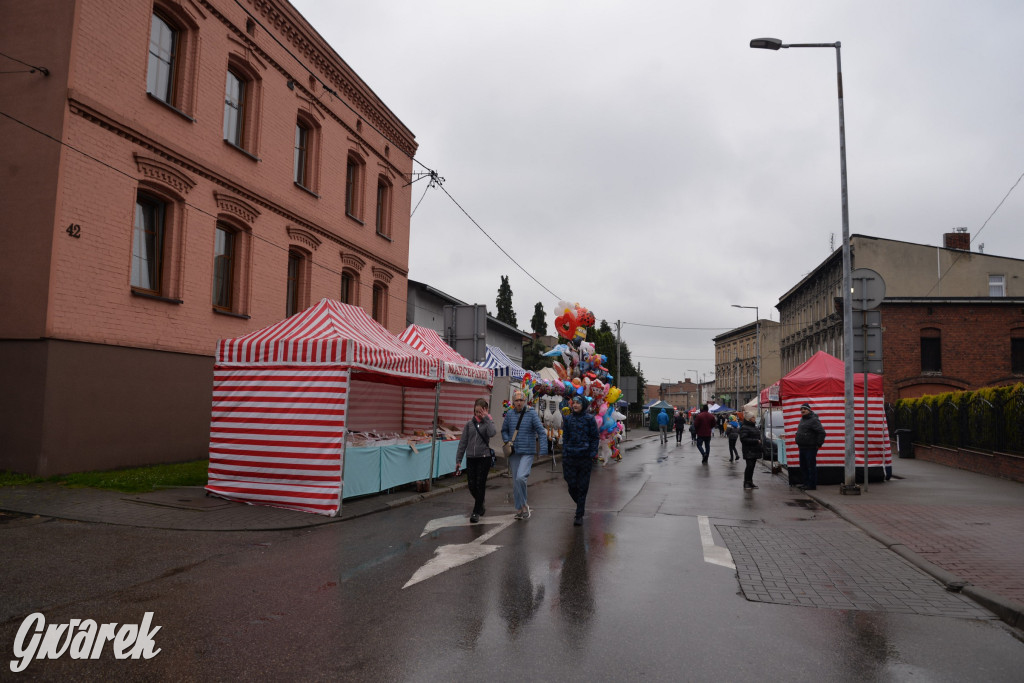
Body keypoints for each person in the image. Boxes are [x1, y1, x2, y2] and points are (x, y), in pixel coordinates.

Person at [501, 390, 545, 520]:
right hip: (514, 452)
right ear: (513, 402)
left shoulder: (531, 414)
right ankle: (519, 509)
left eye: (521, 400)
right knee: (516, 482)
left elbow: (541, 431)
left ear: (525, 401)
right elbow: (504, 430)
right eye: (516, 400)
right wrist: (507, 440)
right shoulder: (509, 414)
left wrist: (542, 449)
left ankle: (525, 505)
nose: (519, 403)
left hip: (527, 451)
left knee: (521, 478)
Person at [454, 398, 496, 523]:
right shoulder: (469, 424)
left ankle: (476, 511)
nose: (478, 414)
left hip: (484, 457)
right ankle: (480, 502)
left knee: (480, 483)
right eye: (476, 411)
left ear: (486, 410)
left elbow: (492, 433)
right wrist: (458, 459)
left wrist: (487, 418)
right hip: (471, 458)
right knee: (471, 485)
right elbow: (463, 442)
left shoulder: (488, 422)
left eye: (480, 412)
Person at [561, 395, 599, 526]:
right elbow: (565, 437)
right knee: (571, 484)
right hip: (570, 456)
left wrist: (592, 453)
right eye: (574, 403)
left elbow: (595, 437)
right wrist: (564, 452)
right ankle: (581, 504)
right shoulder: (568, 419)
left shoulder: (589, 419)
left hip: (584, 456)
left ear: (583, 405)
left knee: (582, 486)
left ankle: (579, 514)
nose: (575, 405)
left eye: (578, 403)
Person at [795, 402, 827, 491]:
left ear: (809, 410)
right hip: (802, 447)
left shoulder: (813, 420)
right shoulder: (802, 419)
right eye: (801, 409)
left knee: (810, 466)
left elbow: (822, 432)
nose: (802, 411)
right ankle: (805, 483)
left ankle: (811, 485)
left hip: (810, 448)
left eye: (804, 409)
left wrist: (818, 444)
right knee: (803, 466)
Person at [738, 413, 763, 489]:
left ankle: (750, 482)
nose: (754, 418)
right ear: (749, 419)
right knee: (749, 466)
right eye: (753, 417)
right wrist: (756, 441)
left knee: (752, 467)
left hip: (754, 450)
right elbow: (743, 439)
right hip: (749, 450)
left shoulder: (753, 426)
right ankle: (746, 483)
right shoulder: (745, 427)